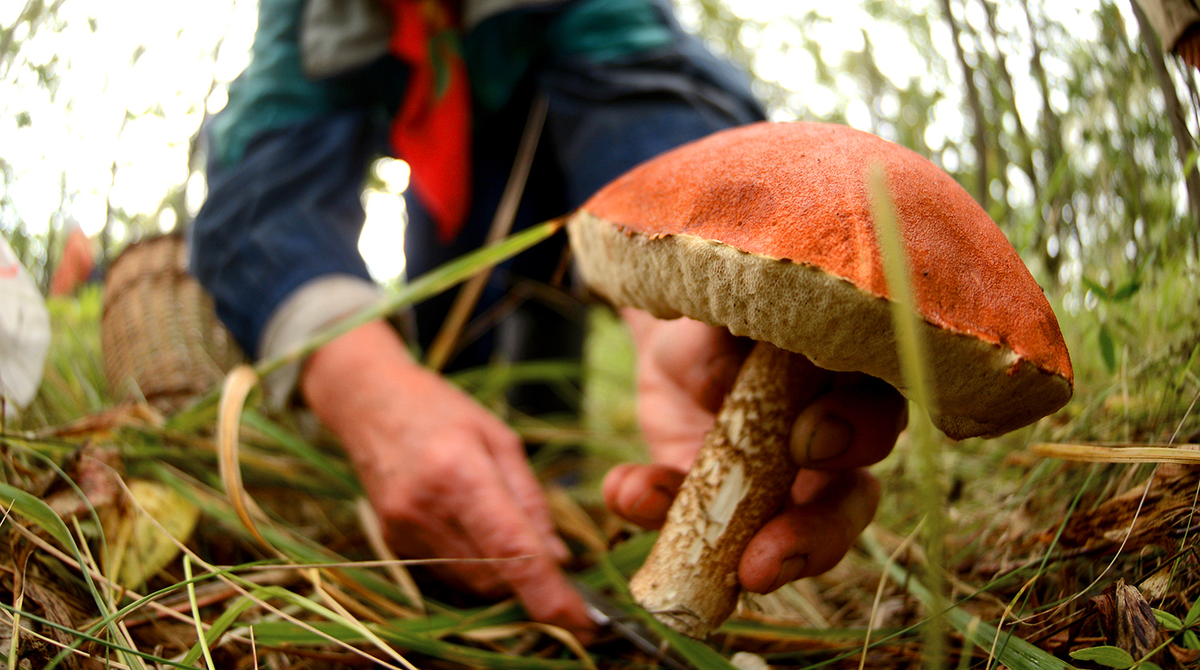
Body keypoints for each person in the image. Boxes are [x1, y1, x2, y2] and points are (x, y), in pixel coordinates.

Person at [190, 0, 906, 638]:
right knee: (446, 356)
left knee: (547, 360)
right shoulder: (311, 16)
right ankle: (456, 534)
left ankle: (556, 504)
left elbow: (644, 89)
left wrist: (687, 311)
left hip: (562, 195)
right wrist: (365, 386)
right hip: (442, 204)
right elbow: (265, 177)